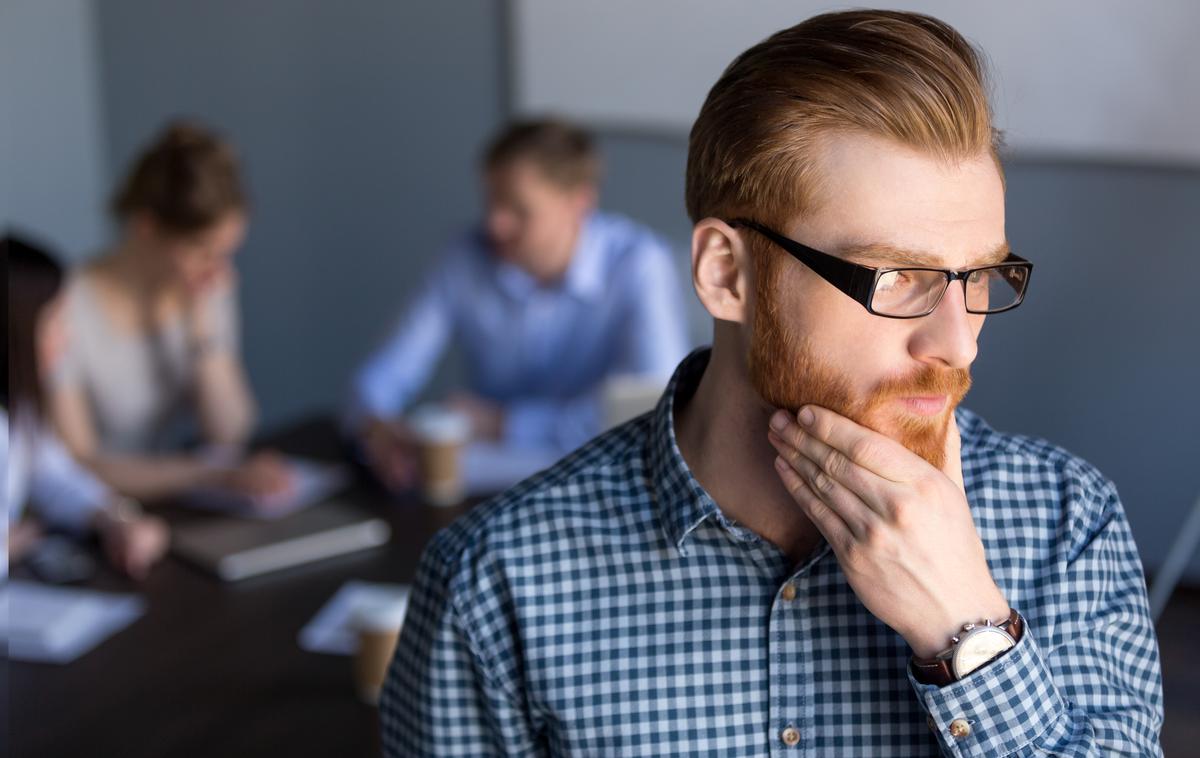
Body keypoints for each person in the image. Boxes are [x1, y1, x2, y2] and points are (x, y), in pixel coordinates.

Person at [381, 10, 1163, 756]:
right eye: (898, 277)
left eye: (983, 276)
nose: (959, 343)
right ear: (728, 274)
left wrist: (969, 631)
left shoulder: (1068, 521)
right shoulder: (494, 584)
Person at [348, 119, 690, 491]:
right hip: (489, 494)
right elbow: (379, 377)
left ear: (579, 203)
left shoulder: (639, 264)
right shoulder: (463, 258)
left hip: (606, 489)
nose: (496, 224)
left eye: (518, 210)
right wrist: (376, 429)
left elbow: (653, 405)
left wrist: (502, 423)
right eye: (491, 202)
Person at [48, 121, 291, 504]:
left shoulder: (204, 289)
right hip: (95, 514)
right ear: (147, 227)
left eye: (226, 252)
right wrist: (211, 474)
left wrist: (204, 330)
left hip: (177, 503)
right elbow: (79, 466)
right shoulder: (64, 307)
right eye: (204, 251)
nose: (218, 269)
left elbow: (230, 432)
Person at [4, 234, 168, 580]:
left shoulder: (21, 408)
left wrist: (114, 518)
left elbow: (54, 476)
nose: (67, 337)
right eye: (54, 322)